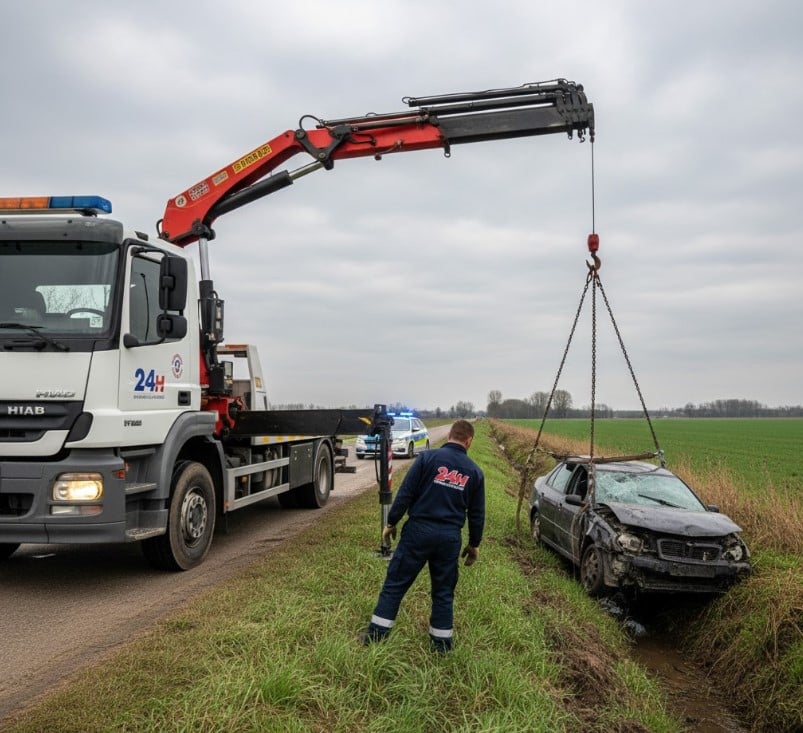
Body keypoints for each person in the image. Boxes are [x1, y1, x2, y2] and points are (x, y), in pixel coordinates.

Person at [360, 419, 485, 653]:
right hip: (449, 538)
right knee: (443, 591)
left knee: (395, 583)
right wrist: (474, 544)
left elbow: (406, 492)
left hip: (418, 531)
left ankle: (376, 636)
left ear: (449, 434)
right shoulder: (475, 473)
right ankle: (441, 646)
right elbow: (477, 514)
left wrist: (391, 521)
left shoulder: (427, 459)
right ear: (469, 441)